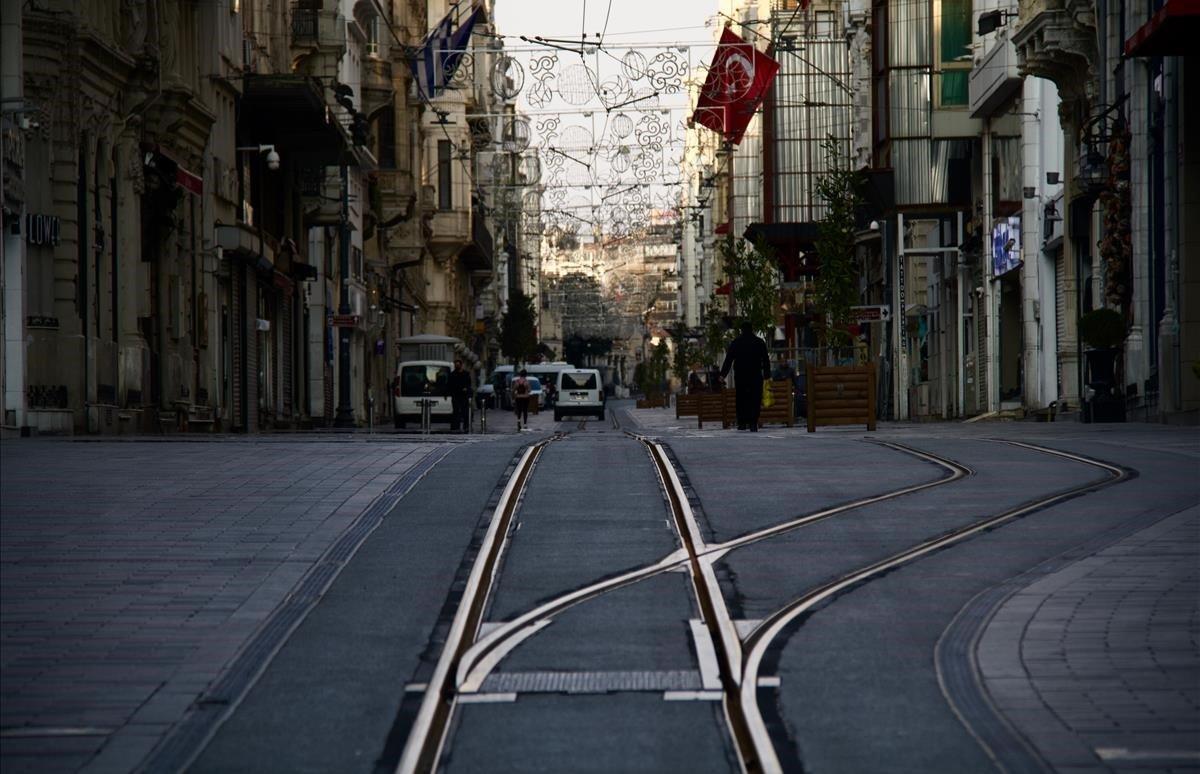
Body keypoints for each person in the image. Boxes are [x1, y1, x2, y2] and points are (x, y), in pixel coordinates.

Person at [720, 321, 771, 431]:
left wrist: (722, 375)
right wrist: (767, 375)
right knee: (755, 399)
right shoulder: (759, 342)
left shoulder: (736, 342)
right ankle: (753, 423)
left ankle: (742, 423)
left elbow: (728, 360)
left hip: (741, 375)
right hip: (755, 375)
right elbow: (766, 360)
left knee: (741, 398)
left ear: (742, 330)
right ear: (752, 329)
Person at [447, 358, 472, 432]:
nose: (457, 366)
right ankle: (455, 427)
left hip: (464, 395)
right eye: (456, 365)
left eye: (458, 365)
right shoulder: (452, 374)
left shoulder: (466, 374)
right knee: (456, 411)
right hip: (455, 395)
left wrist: (466, 389)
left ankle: (466, 426)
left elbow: (468, 384)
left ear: (461, 365)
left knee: (465, 412)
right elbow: (450, 385)